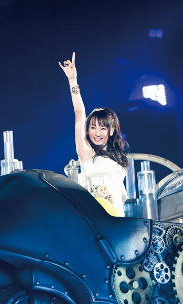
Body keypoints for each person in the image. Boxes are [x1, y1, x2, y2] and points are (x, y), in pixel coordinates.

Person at [59, 52, 128, 216]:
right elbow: (79, 112)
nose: (97, 133)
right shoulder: (87, 153)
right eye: (93, 127)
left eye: (103, 128)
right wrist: (72, 80)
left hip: (118, 219)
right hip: (97, 218)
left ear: (111, 131)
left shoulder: (117, 157)